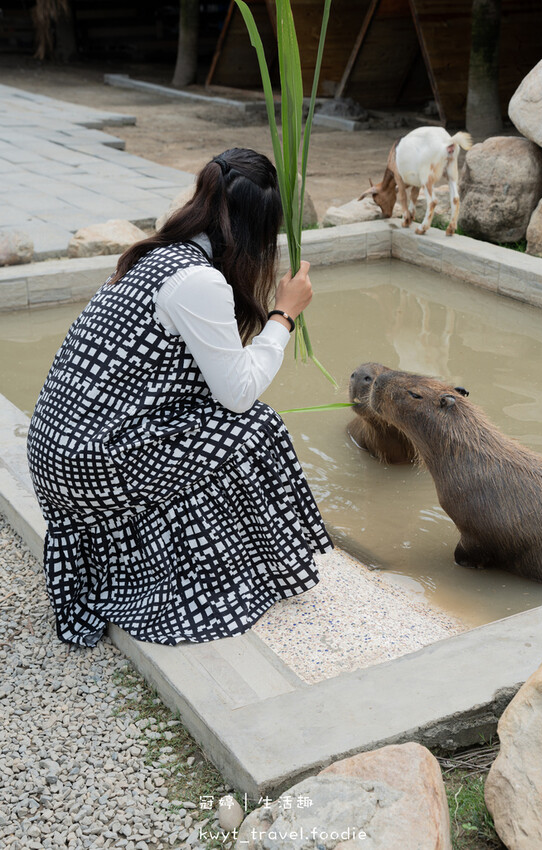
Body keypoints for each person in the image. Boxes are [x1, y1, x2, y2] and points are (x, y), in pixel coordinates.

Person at [26, 147, 333, 648]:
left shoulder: (154, 254)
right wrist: (284, 314)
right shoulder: (197, 279)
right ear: (258, 227)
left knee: (211, 420)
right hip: (91, 465)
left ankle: (178, 557)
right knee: (255, 426)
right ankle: (216, 569)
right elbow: (237, 394)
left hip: (58, 452)